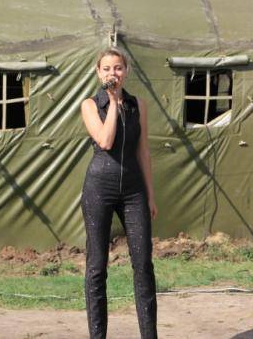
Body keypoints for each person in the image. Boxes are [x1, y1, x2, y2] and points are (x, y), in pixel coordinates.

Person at [80, 47, 158, 339]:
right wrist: (112, 102)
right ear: (98, 72)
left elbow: (143, 151)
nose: (113, 73)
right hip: (99, 188)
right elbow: (105, 140)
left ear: (126, 71)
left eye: (118, 68)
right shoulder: (90, 105)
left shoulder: (139, 105)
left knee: (143, 264)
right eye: (107, 68)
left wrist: (150, 195)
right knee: (97, 267)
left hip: (134, 191)